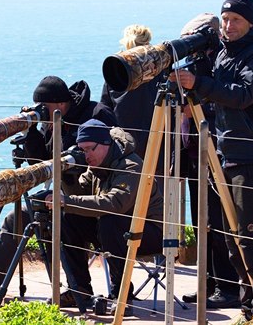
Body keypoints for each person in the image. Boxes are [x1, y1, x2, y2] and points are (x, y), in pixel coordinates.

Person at [0, 76, 117, 310]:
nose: (43, 114)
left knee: (63, 220)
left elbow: (113, 157)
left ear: (61, 104)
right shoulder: (53, 121)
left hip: (98, 201)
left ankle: (79, 291)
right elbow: (41, 164)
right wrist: (31, 129)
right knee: (17, 217)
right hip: (63, 199)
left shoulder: (96, 115)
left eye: (46, 109)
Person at [169, 0, 253, 325]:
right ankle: (247, 308)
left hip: (251, 154)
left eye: (236, 21)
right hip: (222, 152)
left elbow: (242, 95)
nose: (229, 27)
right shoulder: (224, 54)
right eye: (226, 20)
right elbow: (216, 94)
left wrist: (199, 83)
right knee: (231, 238)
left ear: (250, 23)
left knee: (251, 235)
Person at [45, 119, 164, 317]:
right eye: (82, 150)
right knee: (68, 218)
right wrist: (68, 177)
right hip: (116, 231)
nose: (86, 155)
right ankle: (79, 290)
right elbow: (80, 194)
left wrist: (68, 200)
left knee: (110, 220)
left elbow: (115, 203)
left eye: (90, 149)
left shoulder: (131, 165)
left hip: (149, 232)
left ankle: (122, 293)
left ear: (106, 144)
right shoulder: (96, 166)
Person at [175, 13, 241, 309]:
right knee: (201, 224)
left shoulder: (219, 64)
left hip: (214, 152)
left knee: (218, 223)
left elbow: (224, 104)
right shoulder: (196, 65)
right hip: (193, 154)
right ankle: (209, 283)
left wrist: (197, 105)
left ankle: (227, 288)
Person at [100, 24, 165, 166]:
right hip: (156, 148)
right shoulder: (159, 71)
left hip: (122, 147)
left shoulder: (114, 70)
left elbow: (105, 109)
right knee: (157, 187)